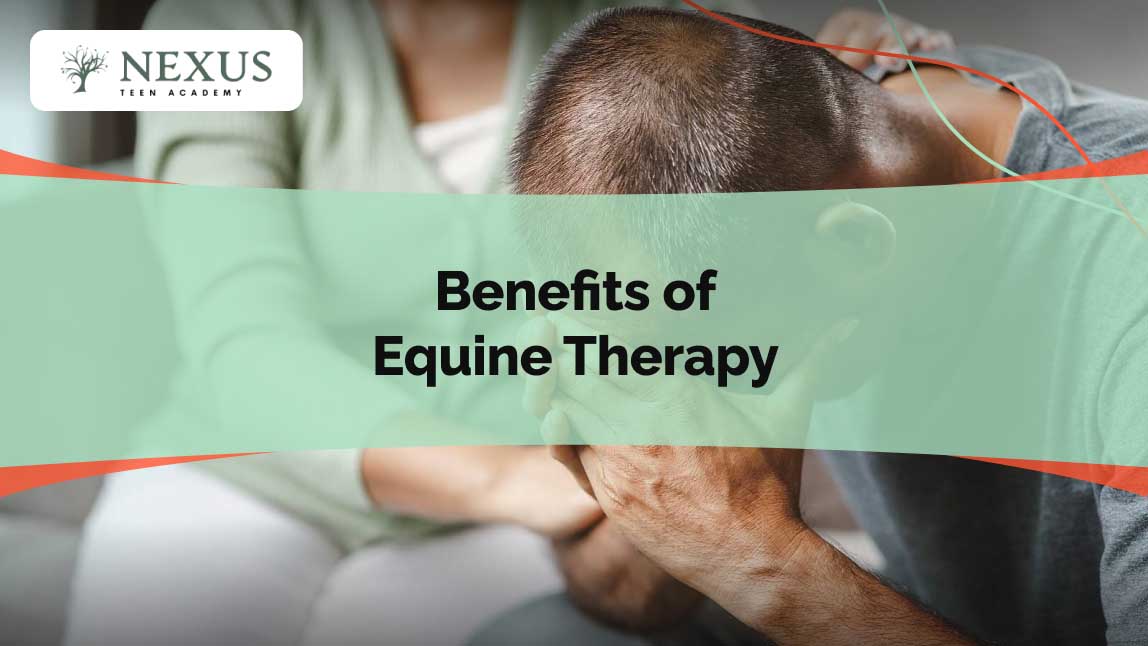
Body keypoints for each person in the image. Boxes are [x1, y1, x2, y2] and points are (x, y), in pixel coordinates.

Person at [63, 2, 953, 644]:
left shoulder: (641, 31)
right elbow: (244, 348)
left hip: (520, 524)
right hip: (248, 476)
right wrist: (527, 483)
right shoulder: (218, 27)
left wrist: (849, 104)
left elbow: (781, 157)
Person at [474, 6, 1148, 645]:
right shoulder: (801, 179)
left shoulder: (1124, 260)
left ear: (852, 247)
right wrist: (639, 496)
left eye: (696, 351)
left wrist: (762, 559)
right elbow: (627, 593)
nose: (680, 379)